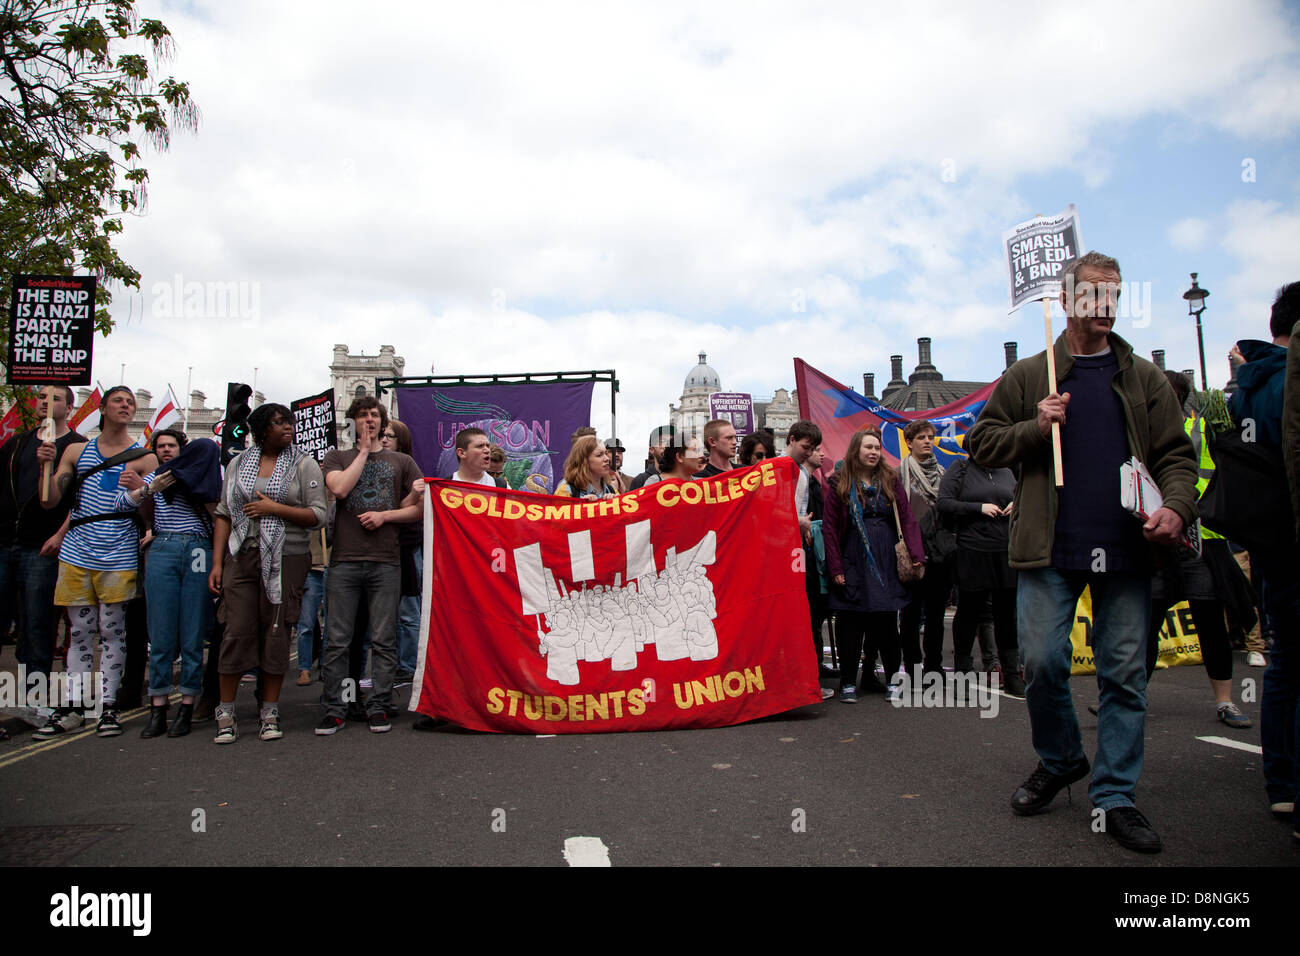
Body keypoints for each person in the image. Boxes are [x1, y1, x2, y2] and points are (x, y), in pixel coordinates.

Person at [966, 251, 1198, 854]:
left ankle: (1116, 794)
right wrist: (1035, 427)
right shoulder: (1029, 378)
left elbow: (1177, 456)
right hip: (1050, 550)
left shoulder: (1142, 377)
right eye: (1092, 295)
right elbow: (980, 445)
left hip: (1128, 548)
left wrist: (1176, 506)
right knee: (1042, 665)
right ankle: (1063, 759)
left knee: (1124, 675)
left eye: (1113, 294)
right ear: (1066, 302)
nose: (1105, 306)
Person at [32, 386, 156, 738]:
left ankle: (108, 706)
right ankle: (73, 706)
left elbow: (150, 515)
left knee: (112, 631)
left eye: (130, 402)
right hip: (77, 551)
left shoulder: (145, 458)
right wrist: (46, 467)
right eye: (119, 400)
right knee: (81, 633)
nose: (126, 406)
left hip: (117, 552)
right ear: (102, 407)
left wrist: (140, 489)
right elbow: (51, 500)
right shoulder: (75, 450)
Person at [1143, 371, 1254, 729]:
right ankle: (1130, 697)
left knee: (1210, 625)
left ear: (1171, 396)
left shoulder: (1199, 429)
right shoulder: (1142, 433)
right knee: (1146, 625)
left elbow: (1207, 477)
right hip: (1157, 543)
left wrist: (1179, 510)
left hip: (1198, 542)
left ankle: (1225, 701)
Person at [208, 404, 325, 742]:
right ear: (260, 429)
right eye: (277, 422)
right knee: (235, 630)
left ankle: (269, 711)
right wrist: (217, 563)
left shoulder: (304, 464)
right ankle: (226, 710)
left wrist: (275, 509)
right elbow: (223, 513)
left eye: (288, 421)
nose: (286, 427)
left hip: (287, 556)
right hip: (241, 555)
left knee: (276, 632)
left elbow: (319, 515)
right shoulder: (236, 464)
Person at [1233, 280, 1299, 838]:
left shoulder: (1248, 387)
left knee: (1286, 665)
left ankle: (1283, 784)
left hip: (1270, 541)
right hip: (1291, 537)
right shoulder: (1285, 382)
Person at [317, 396, 424, 736]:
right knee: (338, 639)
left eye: (375, 415)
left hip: (385, 562)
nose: (369, 420)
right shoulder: (337, 457)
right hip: (345, 561)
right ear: (353, 421)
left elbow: (418, 510)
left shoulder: (402, 460)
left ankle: (378, 704)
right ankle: (336, 706)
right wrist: (364, 451)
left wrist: (385, 515)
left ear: (383, 420)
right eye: (362, 415)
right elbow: (339, 488)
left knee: (383, 638)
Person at [117, 429, 222, 737]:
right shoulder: (157, 479)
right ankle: (158, 707)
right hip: (163, 547)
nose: (165, 450)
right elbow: (124, 505)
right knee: (160, 634)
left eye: (171, 445)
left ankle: (187, 705)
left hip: (198, 549)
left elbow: (219, 518)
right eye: (160, 446)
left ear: (183, 450)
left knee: (192, 632)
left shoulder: (203, 476)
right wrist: (147, 490)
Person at [823, 428, 923, 702]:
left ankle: (892, 679)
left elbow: (907, 517)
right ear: (856, 450)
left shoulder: (890, 480)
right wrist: (836, 568)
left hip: (886, 562)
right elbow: (830, 530)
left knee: (887, 623)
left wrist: (916, 554)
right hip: (852, 560)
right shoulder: (840, 483)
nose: (873, 452)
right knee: (850, 625)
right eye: (868, 447)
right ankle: (847, 682)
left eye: (877, 448)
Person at [0, 385, 82, 700]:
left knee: (36, 624)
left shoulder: (77, 446)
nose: (46, 402)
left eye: (55, 398)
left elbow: (80, 500)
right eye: (42, 397)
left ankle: (34, 698)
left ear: (70, 407)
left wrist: (61, 534)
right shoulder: (17, 443)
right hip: (7, 540)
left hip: (43, 545)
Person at [935, 454, 1025, 697]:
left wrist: (1017, 503)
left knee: (1007, 615)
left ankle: (1011, 674)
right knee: (969, 612)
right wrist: (979, 508)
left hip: (1005, 549)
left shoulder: (1008, 466)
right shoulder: (961, 468)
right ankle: (963, 673)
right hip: (972, 550)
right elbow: (943, 502)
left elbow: (1026, 492)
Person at [897, 420, 953, 675]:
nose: (928, 441)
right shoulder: (899, 474)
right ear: (909, 442)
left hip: (939, 554)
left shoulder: (944, 474)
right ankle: (912, 663)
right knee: (909, 615)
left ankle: (933, 664)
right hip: (913, 553)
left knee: (935, 616)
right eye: (921, 437)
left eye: (930, 437)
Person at [382, 419, 422, 682]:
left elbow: (414, 509)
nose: (384, 439)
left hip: (408, 547)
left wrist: (388, 513)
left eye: (391, 436)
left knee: (409, 611)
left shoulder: (409, 468)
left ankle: (408, 665)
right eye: (382, 435)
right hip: (381, 549)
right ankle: (389, 665)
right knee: (385, 614)